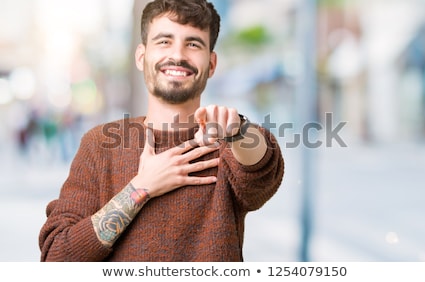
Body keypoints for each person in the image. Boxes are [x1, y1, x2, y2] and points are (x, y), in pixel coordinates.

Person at [39, 0, 284, 262]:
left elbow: (263, 169)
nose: (178, 55)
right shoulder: (100, 144)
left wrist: (236, 129)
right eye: (164, 41)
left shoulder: (228, 144)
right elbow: (57, 257)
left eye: (193, 44)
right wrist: (141, 187)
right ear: (141, 57)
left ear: (211, 64)